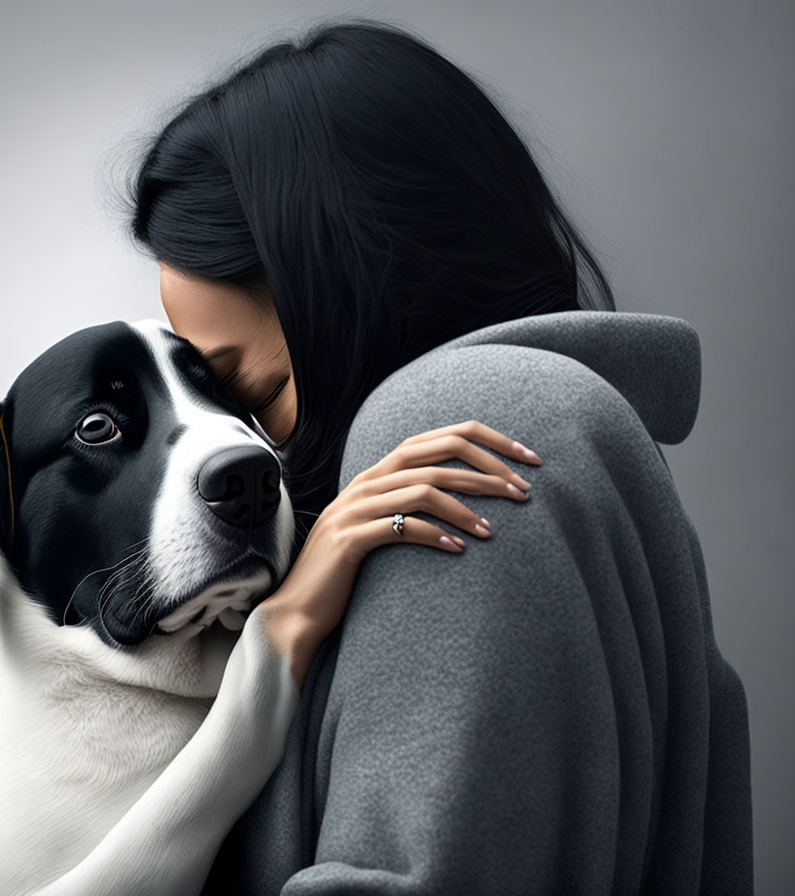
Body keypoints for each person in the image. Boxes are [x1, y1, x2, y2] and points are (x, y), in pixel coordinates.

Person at [123, 17, 753, 894]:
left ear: (338, 273)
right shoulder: (575, 449)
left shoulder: (461, 423)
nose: (263, 449)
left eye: (259, 396)